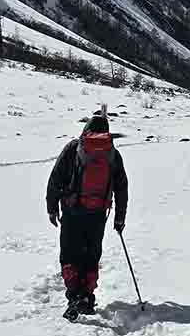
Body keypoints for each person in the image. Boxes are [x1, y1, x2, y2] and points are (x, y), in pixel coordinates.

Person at [45, 112, 128, 320]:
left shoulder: (74, 148)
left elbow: (55, 179)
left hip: (72, 211)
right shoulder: (112, 154)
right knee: (91, 256)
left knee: (70, 254)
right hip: (98, 213)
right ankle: (87, 296)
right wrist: (120, 218)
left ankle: (74, 295)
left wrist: (52, 207)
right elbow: (121, 188)